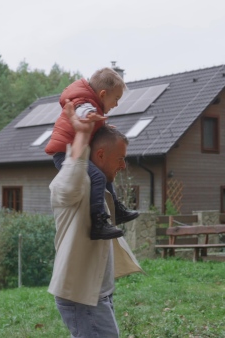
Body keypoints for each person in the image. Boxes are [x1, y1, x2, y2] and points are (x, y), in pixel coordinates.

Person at [48, 101, 143, 337]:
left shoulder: (100, 187)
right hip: (83, 298)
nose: (123, 165)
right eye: (120, 158)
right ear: (100, 154)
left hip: (96, 294)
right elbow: (65, 185)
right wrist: (81, 135)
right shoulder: (78, 182)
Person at [45, 67, 139, 240]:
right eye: (116, 99)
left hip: (77, 151)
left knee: (105, 175)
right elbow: (82, 111)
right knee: (97, 178)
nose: (116, 104)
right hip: (65, 154)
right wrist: (90, 116)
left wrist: (102, 126)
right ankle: (98, 223)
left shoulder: (91, 102)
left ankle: (116, 209)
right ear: (103, 94)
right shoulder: (85, 103)